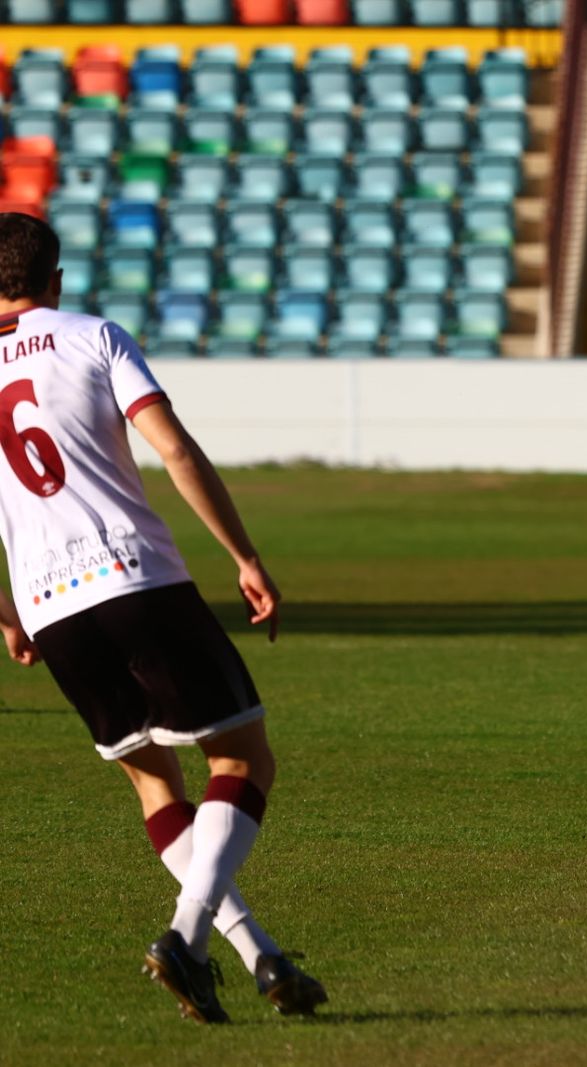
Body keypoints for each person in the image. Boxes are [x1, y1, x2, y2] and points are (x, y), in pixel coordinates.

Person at [0, 213, 326, 1023]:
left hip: (49, 604)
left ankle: (263, 959)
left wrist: (7, 613)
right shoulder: (93, 335)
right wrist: (245, 557)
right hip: (132, 577)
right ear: (57, 279)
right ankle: (185, 937)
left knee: (153, 780)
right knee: (244, 759)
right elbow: (174, 450)